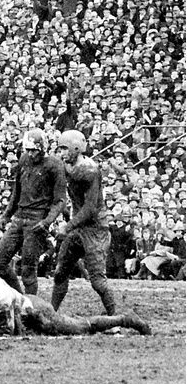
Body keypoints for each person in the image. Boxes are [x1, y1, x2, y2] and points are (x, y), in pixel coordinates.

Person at [0, 259, 150, 336]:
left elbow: (9, 329)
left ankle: (125, 319)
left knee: (81, 326)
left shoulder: (0, 296)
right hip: (20, 309)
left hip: (35, 313)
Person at [0, 128, 67, 295]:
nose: (31, 154)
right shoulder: (24, 159)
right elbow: (17, 190)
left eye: (34, 150)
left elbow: (60, 200)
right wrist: (7, 214)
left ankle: (31, 306)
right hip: (19, 216)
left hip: (37, 219)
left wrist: (47, 221)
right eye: (28, 150)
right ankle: (19, 295)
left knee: (28, 269)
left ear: (43, 148)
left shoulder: (54, 165)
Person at [51, 130, 119, 315]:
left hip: (95, 228)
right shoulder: (67, 165)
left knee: (97, 280)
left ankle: (115, 318)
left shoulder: (89, 170)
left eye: (65, 148)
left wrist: (67, 225)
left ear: (76, 148)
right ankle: (52, 313)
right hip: (79, 226)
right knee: (60, 273)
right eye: (60, 149)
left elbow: (90, 209)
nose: (62, 153)